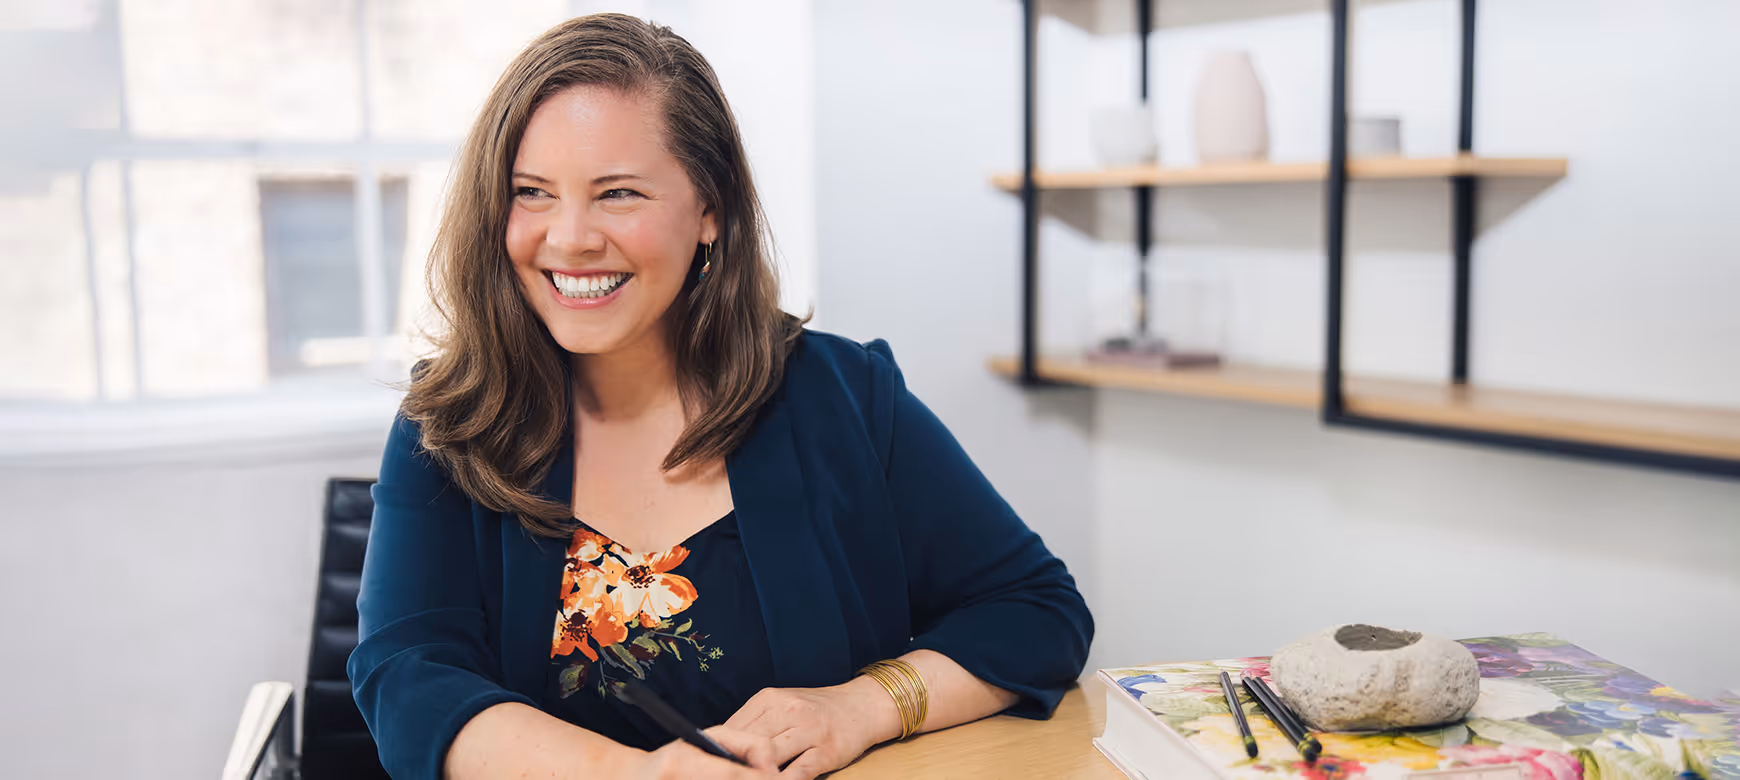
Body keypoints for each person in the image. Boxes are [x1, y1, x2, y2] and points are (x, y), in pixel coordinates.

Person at [349, 13, 1093, 780]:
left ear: (710, 209)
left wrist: (862, 706)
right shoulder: (447, 424)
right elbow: (408, 681)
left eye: (618, 193)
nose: (569, 238)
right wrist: (644, 776)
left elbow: (1037, 610)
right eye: (531, 192)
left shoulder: (846, 397)